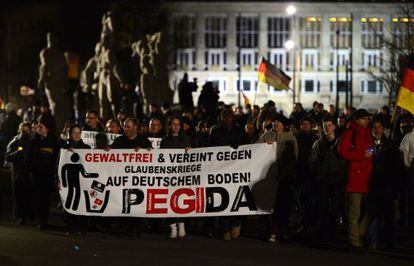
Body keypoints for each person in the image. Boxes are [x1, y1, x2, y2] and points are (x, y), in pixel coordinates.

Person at [257, 114, 298, 243]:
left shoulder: (290, 137)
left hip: (285, 177)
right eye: (274, 122)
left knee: (284, 204)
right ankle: (272, 230)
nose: (275, 124)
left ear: (283, 124)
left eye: (278, 122)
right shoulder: (267, 135)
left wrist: (286, 173)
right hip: (269, 176)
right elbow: (255, 149)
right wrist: (264, 145)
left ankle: (283, 228)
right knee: (271, 204)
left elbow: (293, 157)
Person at [209, 109, 248, 240]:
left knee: (236, 197)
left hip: (237, 169)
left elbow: (248, 147)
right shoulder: (216, 130)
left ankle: (236, 223)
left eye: (230, 117)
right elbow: (210, 148)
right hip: (221, 169)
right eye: (225, 117)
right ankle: (225, 228)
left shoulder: (240, 130)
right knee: (223, 197)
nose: (228, 119)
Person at [338, 109, 373, 252]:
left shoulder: (367, 133)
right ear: (357, 120)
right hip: (354, 178)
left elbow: (371, 150)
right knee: (355, 212)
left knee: (370, 210)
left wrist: (371, 152)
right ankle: (354, 241)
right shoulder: (349, 133)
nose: (367, 121)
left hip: (368, 177)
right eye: (364, 119)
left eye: (367, 119)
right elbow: (342, 151)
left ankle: (358, 234)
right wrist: (362, 154)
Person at [110, 117, 152, 236]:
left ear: (135, 127)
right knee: (123, 200)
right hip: (123, 178)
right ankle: (123, 225)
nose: (125, 129)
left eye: (128, 126)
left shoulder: (143, 140)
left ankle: (135, 227)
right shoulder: (120, 140)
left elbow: (152, 156)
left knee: (137, 201)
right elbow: (109, 154)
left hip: (138, 179)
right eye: (124, 126)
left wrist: (147, 150)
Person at [311, 117, 346, 241]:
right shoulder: (318, 144)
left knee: (335, 207)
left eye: (329, 125)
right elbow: (313, 161)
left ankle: (332, 231)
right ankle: (322, 232)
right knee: (322, 206)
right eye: (325, 126)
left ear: (334, 127)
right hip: (323, 180)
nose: (327, 128)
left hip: (338, 180)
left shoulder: (341, 142)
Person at [160, 117, 192, 238]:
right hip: (169, 174)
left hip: (183, 174)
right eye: (173, 124)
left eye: (178, 124)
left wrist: (191, 151)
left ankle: (182, 224)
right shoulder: (165, 140)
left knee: (183, 199)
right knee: (170, 199)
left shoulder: (187, 139)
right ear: (169, 126)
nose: (176, 126)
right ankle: (172, 226)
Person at [366, 119, 395, 250]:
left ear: (383, 128)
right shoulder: (367, 144)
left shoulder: (390, 144)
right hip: (371, 184)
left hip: (387, 185)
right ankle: (373, 240)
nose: (377, 129)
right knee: (372, 214)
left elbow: (396, 167)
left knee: (388, 214)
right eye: (374, 127)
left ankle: (388, 240)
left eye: (379, 127)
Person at [26, 116, 59, 230]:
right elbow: (28, 158)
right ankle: (40, 220)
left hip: (48, 175)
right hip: (36, 175)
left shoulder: (55, 141)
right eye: (38, 126)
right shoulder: (33, 141)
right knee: (38, 198)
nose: (38, 128)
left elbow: (57, 158)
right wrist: (30, 171)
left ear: (47, 128)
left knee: (45, 199)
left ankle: (44, 219)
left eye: (41, 126)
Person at [58, 125, 92, 236]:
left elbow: (91, 165)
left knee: (82, 202)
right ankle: (70, 227)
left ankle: (82, 228)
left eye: (79, 133)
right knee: (69, 203)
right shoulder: (63, 148)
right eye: (74, 133)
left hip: (83, 181)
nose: (77, 135)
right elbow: (58, 166)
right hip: (68, 180)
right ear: (70, 134)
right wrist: (57, 180)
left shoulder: (86, 148)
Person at [4, 122, 34, 225]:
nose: (24, 133)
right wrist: (17, 152)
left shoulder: (33, 141)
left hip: (30, 174)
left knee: (30, 196)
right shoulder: (15, 142)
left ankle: (30, 215)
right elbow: (7, 157)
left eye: (26, 130)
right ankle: (21, 216)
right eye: (22, 130)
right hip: (18, 173)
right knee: (19, 196)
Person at [295, 117, 319, 233]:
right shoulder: (296, 138)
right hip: (300, 173)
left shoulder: (316, 139)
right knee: (301, 200)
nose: (305, 125)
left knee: (311, 200)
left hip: (311, 174)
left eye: (307, 124)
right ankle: (304, 223)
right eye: (303, 124)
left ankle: (310, 223)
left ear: (311, 125)